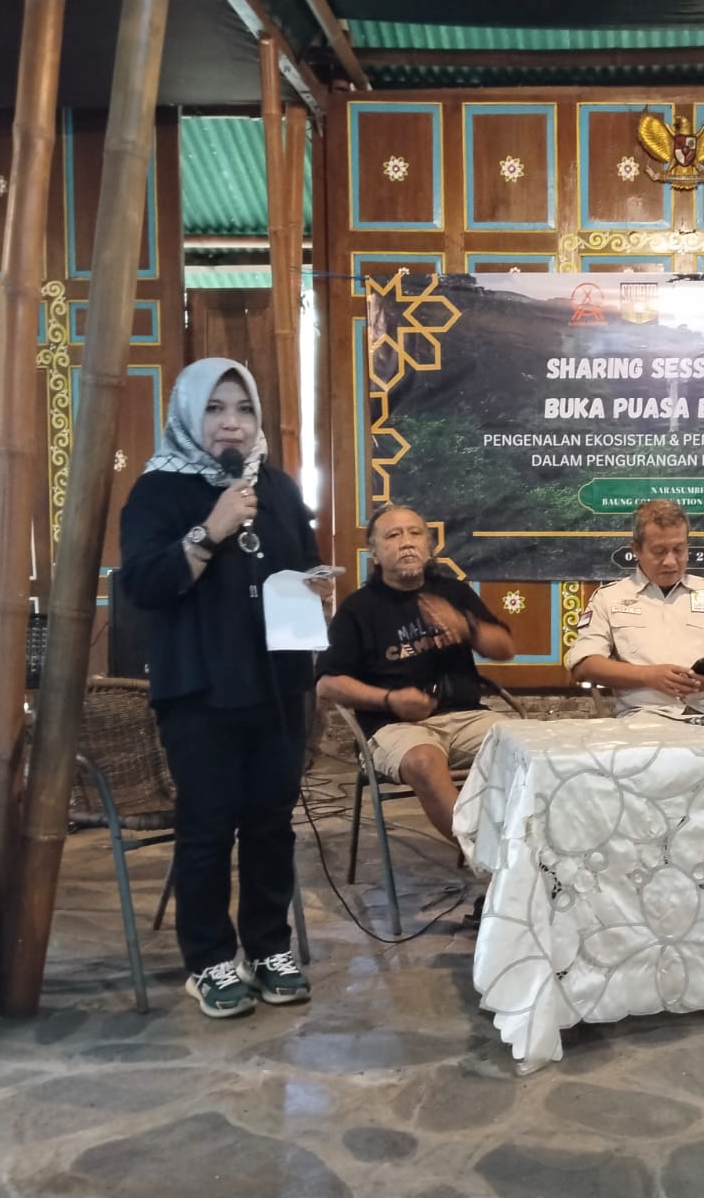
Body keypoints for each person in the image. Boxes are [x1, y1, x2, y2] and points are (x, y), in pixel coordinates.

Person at [119, 358, 334, 1018]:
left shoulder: (278, 488)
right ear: (189, 415)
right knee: (208, 828)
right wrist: (209, 530)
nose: (231, 423)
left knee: (271, 824)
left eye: (243, 409)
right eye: (215, 409)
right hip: (199, 691)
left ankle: (269, 948)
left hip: (275, 686)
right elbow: (145, 585)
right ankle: (210, 960)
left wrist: (316, 588)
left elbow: (301, 563)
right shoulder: (157, 492)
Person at [315, 505, 516, 844]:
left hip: (467, 717)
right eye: (393, 535)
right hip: (394, 726)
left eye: (415, 533)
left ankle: (522, 848)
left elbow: (505, 649)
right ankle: (485, 856)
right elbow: (327, 684)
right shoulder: (358, 609)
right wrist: (389, 700)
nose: (407, 542)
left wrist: (467, 626)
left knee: (527, 747)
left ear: (428, 545)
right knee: (424, 761)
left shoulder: (454, 593)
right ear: (375, 553)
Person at [566, 500, 704, 715]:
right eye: (659, 551)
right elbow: (584, 665)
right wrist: (647, 676)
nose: (670, 562)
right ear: (636, 549)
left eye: (679, 550)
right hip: (647, 717)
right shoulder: (608, 598)